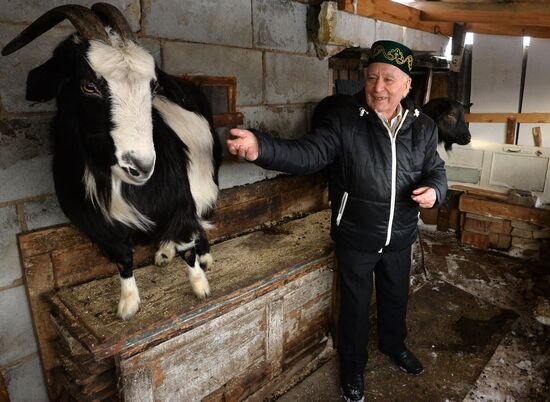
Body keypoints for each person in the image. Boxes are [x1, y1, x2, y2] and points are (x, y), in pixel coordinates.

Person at [227, 40, 447, 402]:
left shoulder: (423, 128)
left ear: (407, 85)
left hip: (400, 234)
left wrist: (436, 191)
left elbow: (436, 170)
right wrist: (261, 148)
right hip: (357, 235)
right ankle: (353, 367)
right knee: (355, 308)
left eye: (389, 79)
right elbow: (310, 153)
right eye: (372, 77)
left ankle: (395, 346)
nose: (378, 87)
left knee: (395, 299)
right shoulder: (346, 119)